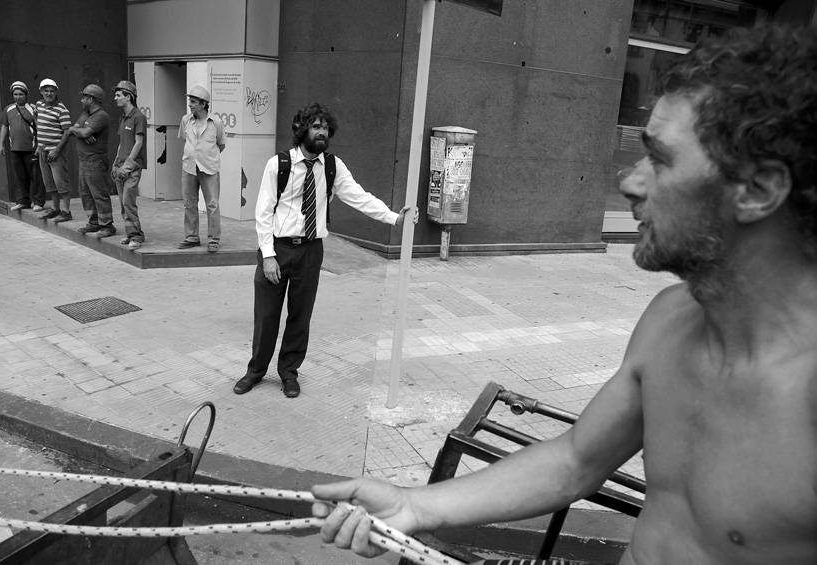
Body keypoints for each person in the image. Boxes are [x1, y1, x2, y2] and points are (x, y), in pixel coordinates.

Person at [311, 25, 817, 565]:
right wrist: (415, 505)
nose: (629, 182)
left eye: (661, 160)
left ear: (758, 190)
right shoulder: (669, 320)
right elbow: (575, 460)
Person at [234, 103, 417, 399]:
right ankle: (255, 371)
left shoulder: (332, 166)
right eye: (315, 126)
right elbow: (263, 212)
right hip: (278, 249)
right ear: (301, 129)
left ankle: (289, 373)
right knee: (266, 316)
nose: (321, 132)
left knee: (300, 316)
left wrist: (394, 217)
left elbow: (359, 196)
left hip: (310, 251)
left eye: (325, 128)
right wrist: (267, 255)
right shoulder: (279, 164)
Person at [63, 84, 116, 239]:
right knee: (85, 193)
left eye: (84, 97)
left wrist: (80, 132)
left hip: (95, 161)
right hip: (84, 161)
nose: (81, 100)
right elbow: (75, 129)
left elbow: (81, 131)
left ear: (91, 99)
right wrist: (79, 132)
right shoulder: (86, 114)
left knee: (99, 194)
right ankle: (94, 222)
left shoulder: (101, 116)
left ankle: (107, 225)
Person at [177, 85, 225, 253]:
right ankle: (191, 237)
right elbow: (185, 139)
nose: (190, 104)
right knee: (189, 203)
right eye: (190, 101)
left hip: (209, 168)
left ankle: (213, 239)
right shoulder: (185, 120)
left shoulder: (216, 122)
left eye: (194, 102)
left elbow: (221, 144)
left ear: (204, 104)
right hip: (189, 167)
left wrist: (206, 155)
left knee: (212, 204)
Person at [111, 80, 148, 250]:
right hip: (120, 166)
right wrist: (115, 163)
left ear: (128, 97)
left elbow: (138, 143)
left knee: (128, 200)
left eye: (118, 95)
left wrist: (127, 165)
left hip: (132, 167)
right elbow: (121, 142)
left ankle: (136, 237)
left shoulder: (138, 117)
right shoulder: (124, 117)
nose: (115, 98)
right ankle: (131, 232)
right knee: (122, 202)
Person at [0, 81, 44, 213]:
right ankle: (23, 201)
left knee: (35, 176)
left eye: (20, 94)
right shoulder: (8, 109)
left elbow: (39, 128)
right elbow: (4, 127)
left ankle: (38, 202)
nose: (18, 97)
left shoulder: (33, 109)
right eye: (15, 94)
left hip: (31, 148)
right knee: (20, 177)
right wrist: (1, 144)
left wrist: (39, 145)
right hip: (15, 149)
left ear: (26, 95)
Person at [35, 78, 73, 223]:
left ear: (56, 92)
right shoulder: (38, 105)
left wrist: (57, 150)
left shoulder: (62, 110)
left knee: (61, 183)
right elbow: (38, 121)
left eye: (52, 91)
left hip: (56, 153)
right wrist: (39, 145)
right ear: (41, 92)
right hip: (43, 151)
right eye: (46, 90)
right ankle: (55, 209)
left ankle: (66, 211)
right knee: (49, 183)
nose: (49, 93)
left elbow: (67, 132)